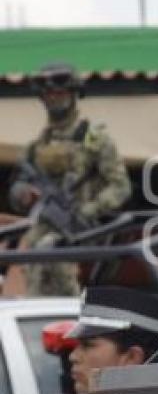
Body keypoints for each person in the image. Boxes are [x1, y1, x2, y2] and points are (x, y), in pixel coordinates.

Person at [8, 62, 130, 296]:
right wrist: (23, 194)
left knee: (51, 251)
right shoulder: (37, 145)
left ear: (74, 94)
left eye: (60, 92)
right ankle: (39, 314)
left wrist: (88, 209)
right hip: (45, 225)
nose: (54, 98)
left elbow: (120, 186)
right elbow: (18, 189)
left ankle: (70, 314)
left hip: (82, 229)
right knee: (32, 255)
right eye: (49, 93)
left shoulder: (94, 138)